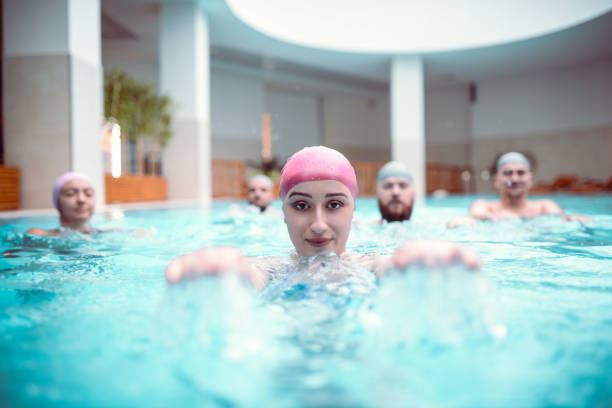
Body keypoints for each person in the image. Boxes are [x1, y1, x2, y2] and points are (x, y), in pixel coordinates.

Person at [166, 146, 480, 289]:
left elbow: (390, 268)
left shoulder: (371, 262)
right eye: (301, 206)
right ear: (283, 213)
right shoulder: (270, 267)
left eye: (334, 205)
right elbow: (250, 274)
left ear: (354, 210)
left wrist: (416, 264)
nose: (318, 224)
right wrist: (226, 271)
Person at [447, 152, 591, 228]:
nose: (514, 179)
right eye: (508, 173)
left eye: (521, 173)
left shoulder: (545, 207)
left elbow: (562, 225)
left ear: (531, 179)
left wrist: (574, 221)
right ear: (496, 180)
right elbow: (473, 218)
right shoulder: (484, 207)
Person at [27, 172, 98, 236]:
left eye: (88, 194)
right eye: (70, 194)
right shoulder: (38, 235)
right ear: (58, 202)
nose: (81, 200)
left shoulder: (104, 234)